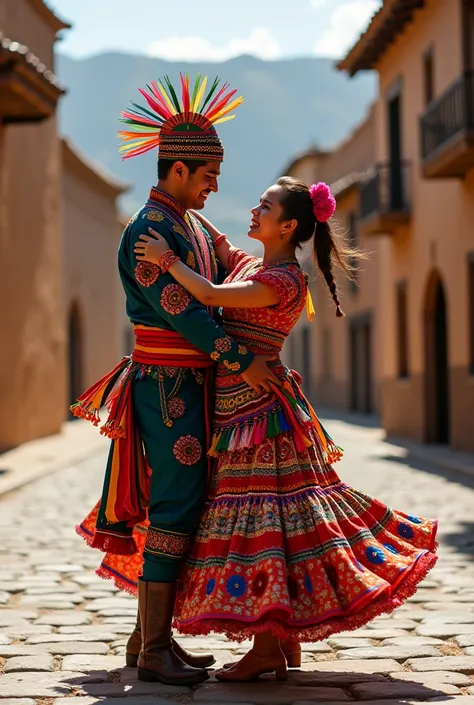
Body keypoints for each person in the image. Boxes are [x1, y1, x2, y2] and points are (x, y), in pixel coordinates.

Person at [81, 176, 438, 683]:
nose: (253, 209)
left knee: (265, 517)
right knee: (271, 518)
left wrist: (166, 258)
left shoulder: (282, 280)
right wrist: (176, 199)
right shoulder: (256, 265)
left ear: (288, 226)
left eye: (265, 206)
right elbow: (217, 242)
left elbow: (205, 291)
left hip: (257, 415)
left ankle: (269, 645)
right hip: (238, 408)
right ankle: (276, 644)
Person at [72, 73, 280, 687]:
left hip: (188, 386)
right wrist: (245, 363)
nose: (216, 185)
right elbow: (185, 315)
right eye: (209, 175)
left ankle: (148, 639)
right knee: (175, 505)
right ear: (180, 169)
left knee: (186, 504)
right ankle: (154, 649)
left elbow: (231, 266)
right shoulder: (148, 233)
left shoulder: (186, 228)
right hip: (168, 387)